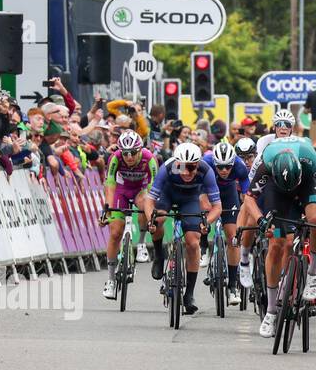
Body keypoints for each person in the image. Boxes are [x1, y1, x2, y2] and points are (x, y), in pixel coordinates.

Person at [242, 135, 316, 338]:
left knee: (315, 219)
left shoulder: (309, 159)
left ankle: (315, 275)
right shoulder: (265, 163)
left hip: (305, 183)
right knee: (278, 243)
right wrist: (261, 220)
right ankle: (271, 310)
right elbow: (249, 199)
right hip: (276, 191)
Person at [138, 142, 222, 317]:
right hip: (167, 195)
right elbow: (149, 200)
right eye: (181, 166)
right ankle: (159, 255)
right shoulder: (168, 168)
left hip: (190, 199)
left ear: (197, 164)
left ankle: (189, 294)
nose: (185, 172)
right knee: (158, 219)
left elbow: (217, 207)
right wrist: (150, 218)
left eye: (190, 167)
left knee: (193, 242)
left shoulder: (206, 171)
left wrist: (207, 221)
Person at [98, 130, 158, 300]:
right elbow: (110, 184)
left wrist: (151, 212)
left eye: (133, 152)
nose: (129, 156)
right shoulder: (115, 158)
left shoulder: (149, 158)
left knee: (145, 205)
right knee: (115, 232)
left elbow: (154, 187)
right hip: (121, 190)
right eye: (125, 153)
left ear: (140, 150)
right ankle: (110, 280)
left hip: (142, 190)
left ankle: (141, 244)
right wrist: (107, 209)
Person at [202, 140, 250, 309]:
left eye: (227, 167)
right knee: (202, 219)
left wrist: (245, 212)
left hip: (229, 194)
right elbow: (198, 189)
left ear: (233, 163)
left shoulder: (240, 166)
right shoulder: (205, 162)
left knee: (233, 238)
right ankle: (203, 248)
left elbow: (247, 196)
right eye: (220, 167)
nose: (223, 170)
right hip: (209, 190)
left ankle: (232, 286)